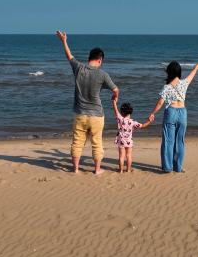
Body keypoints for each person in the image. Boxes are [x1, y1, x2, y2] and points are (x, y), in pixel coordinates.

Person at [56, 30, 119, 174]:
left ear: (89, 58)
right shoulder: (103, 74)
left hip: (80, 114)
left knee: (77, 142)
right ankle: (97, 170)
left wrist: (64, 41)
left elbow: (69, 56)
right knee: (97, 143)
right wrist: (114, 97)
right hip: (97, 115)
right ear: (100, 60)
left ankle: (76, 169)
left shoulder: (79, 68)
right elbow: (116, 89)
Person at [149, 49, 198, 173]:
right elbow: (196, 69)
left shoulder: (166, 87)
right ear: (179, 72)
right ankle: (177, 167)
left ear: (169, 73)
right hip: (182, 113)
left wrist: (153, 113)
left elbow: (160, 103)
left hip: (171, 112)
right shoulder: (184, 83)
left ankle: (167, 167)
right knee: (180, 141)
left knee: (168, 141)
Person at [111, 97, 152, 173]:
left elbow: (115, 109)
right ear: (131, 112)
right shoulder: (133, 122)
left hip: (121, 140)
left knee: (121, 156)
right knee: (128, 156)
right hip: (129, 141)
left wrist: (114, 102)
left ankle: (120, 170)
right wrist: (149, 121)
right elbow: (143, 126)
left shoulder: (120, 119)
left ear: (122, 112)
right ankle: (128, 169)